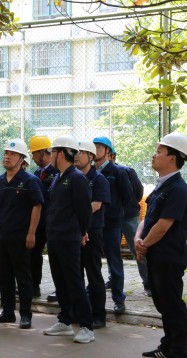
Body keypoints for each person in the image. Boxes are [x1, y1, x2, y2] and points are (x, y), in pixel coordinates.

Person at [136, 132, 187, 358]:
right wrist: (138, 238)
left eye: (159, 151)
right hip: (156, 254)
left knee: (172, 305)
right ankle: (168, 346)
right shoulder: (163, 185)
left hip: (168, 257)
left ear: (172, 157)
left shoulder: (178, 189)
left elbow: (163, 225)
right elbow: (149, 218)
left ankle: (179, 351)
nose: (154, 155)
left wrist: (143, 245)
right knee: (163, 304)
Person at [42, 135, 95, 344]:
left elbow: (84, 210)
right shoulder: (59, 177)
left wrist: (82, 231)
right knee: (60, 281)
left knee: (74, 282)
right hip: (55, 237)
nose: (50, 156)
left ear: (62, 153)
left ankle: (87, 326)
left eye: (53, 152)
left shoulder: (76, 178)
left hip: (68, 238)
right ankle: (65, 320)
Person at [0, 139, 43, 329]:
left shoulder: (30, 181)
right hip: (2, 236)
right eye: (6, 153)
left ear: (22, 159)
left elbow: (37, 206)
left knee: (23, 276)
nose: (7, 157)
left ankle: (25, 314)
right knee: (5, 276)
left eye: (12, 154)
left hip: (21, 237)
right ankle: (7, 312)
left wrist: (31, 233)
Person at [93, 136, 132, 314]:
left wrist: (114, 210)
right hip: (94, 224)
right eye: (94, 147)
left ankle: (118, 299)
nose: (96, 150)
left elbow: (128, 196)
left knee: (114, 261)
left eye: (100, 147)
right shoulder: (89, 172)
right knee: (93, 262)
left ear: (108, 151)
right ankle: (92, 295)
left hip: (112, 224)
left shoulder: (118, 172)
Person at [76, 140, 111, 330]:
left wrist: (74, 214)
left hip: (92, 232)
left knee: (93, 273)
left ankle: (99, 315)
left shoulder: (99, 179)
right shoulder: (72, 178)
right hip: (75, 231)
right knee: (76, 274)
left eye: (81, 152)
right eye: (75, 152)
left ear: (90, 156)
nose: (77, 155)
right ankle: (81, 312)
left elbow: (96, 205)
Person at [111, 149, 150, 296]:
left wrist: (130, 205)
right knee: (112, 250)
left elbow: (138, 190)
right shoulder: (99, 172)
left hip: (129, 216)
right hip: (112, 219)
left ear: (113, 156)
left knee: (138, 248)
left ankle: (148, 282)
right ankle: (113, 279)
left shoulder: (126, 171)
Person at [29, 135, 59, 299]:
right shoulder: (36, 173)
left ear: (42, 153)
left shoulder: (57, 171)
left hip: (53, 222)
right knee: (34, 253)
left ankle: (60, 289)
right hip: (39, 222)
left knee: (56, 257)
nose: (33, 157)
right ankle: (34, 286)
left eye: (34, 153)